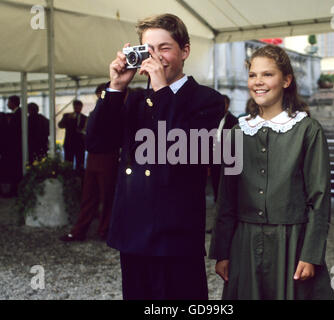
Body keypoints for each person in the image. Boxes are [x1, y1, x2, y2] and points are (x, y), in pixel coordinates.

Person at [86, 13, 224, 300]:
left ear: (184, 51)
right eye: (149, 50)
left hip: (177, 235)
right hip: (133, 231)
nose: (157, 58)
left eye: (165, 48)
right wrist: (115, 88)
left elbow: (183, 150)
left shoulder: (206, 99)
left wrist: (161, 90)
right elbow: (98, 141)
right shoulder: (133, 99)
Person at [209, 44, 334, 300]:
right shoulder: (235, 134)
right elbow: (226, 200)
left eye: (267, 74)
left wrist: (310, 254)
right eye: (253, 75)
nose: (258, 82)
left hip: (292, 243)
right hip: (244, 243)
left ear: (286, 80)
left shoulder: (308, 131)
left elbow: (320, 199)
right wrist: (222, 251)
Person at [60, 83, 119, 242]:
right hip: (93, 156)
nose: (101, 97)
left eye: (103, 94)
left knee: (106, 197)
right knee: (88, 196)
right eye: (100, 94)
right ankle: (80, 230)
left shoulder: (116, 110)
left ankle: (104, 231)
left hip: (107, 156)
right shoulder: (96, 111)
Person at [210, 94, 238, 202]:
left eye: (224, 103)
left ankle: (226, 202)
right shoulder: (213, 118)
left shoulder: (234, 121)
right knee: (215, 180)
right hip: (214, 156)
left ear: (228, 105)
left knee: (227, 183)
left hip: (227, 157)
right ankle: (217, 200)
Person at [2, 96, 22, 197]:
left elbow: (14, 132)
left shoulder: (19, 114)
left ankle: (14, 191)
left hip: (14, 148)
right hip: (13, 148)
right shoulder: (15, 114)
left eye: (8, 102)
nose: (7, 104)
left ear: (13, 103)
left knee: (15, 169)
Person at [58, 100, 87, 172]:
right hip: (69, 143)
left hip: (80, 144)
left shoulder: (85, 117)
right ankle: (68, 178)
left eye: (79, 106)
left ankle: (79, 178)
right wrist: (67, 119)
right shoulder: (67, 115)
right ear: (73, 107)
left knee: (80, 163)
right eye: (75, 106)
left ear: (81, 107)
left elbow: (86, 130)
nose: (77, 108)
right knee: (68, 163)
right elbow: (60, 125)